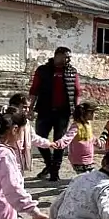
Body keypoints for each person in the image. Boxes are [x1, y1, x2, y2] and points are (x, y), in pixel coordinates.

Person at [29, 46, 82, 180]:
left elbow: (77, 92)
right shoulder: (42, 70)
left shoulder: (72, 71)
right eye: (66, 56)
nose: (68, 59)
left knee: (60, 141)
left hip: (63, 113)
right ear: (57, 56)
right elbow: (34, 90)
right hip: (44, 110)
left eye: (69, 57)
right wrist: (30, 108)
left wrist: (76, 110)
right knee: (39, 139)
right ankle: (49, 164)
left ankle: (55, 171)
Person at [55, 102, 99, 174]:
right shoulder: (76, 126)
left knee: (89, 177)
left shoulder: (88, 125)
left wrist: (99, 143)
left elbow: (91, 137)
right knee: (86, 178)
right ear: (84, 114)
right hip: (79, 160)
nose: (94, 115)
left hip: (89, 159)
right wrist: (58, 144)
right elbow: (68, 137)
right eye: (92, 112)